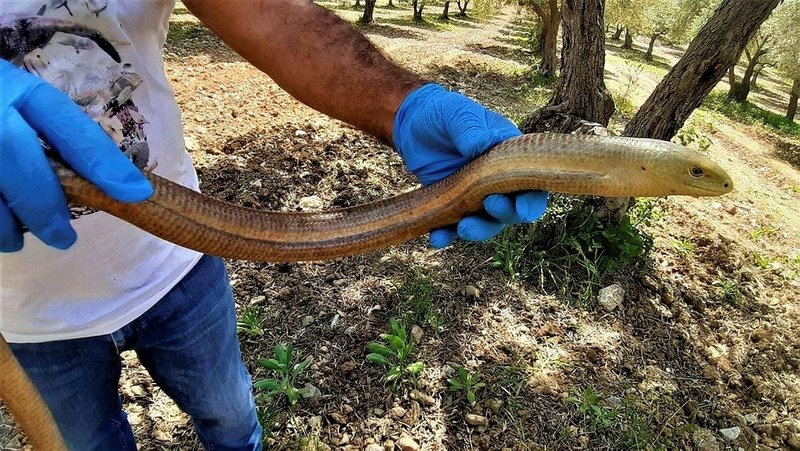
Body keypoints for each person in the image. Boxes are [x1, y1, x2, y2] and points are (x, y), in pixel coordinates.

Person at [0, 0, 548, 449]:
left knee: (232, 423)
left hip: (180, 269)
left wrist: (400, 103)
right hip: (26, 318)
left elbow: (265, 11)